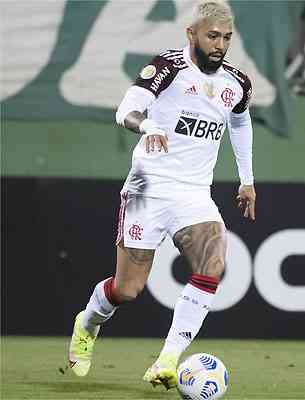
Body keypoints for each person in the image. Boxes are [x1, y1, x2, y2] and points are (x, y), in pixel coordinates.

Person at [66, 0, 256, 390]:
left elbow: (240, 121)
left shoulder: (237, 83)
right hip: (147, 189)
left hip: (194, 194)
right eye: (212, 36)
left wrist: (246, 179)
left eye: (226, 38)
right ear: (192, 34)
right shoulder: (167, 67)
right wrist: (148, 124)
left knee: (213, 263)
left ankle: (167, 360)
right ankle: (87, 322)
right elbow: (126, 110)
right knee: (127, 289)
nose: (219, 45)